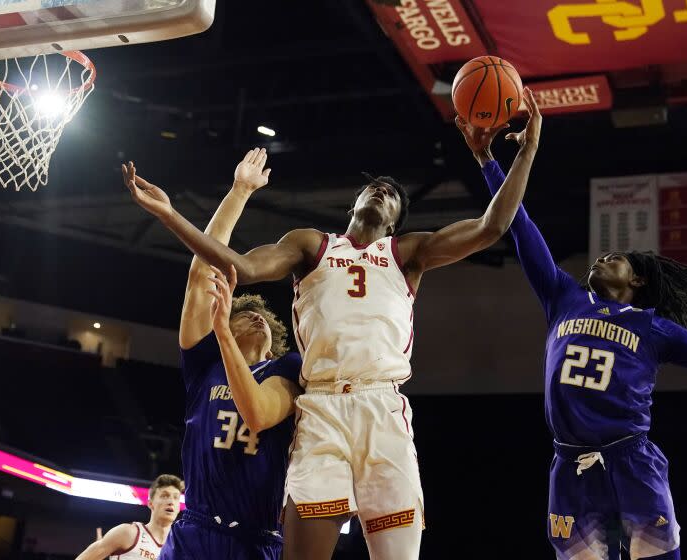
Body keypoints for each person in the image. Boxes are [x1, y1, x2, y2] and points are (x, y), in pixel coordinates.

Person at [121, 88, 543, 559]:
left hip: (381, 406)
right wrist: (170, 215)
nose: (382, 190)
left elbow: (493, 226)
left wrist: (506, 155)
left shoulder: (408, 254)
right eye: (373, 186)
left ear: (396, 221)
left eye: (393, 195)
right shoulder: (311, 245)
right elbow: (239, 264)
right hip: (320, 406)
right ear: (355, 203)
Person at [457, 118, 687, 560]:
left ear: (638, 280)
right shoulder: (563, 297)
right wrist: (488, 160)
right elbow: (519, 225)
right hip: (569, 467)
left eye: (617, 258)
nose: (603, 257)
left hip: (631, 462)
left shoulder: (653, 327)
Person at [129, 149, 303, 560]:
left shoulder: (288, 367)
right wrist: (240, 190)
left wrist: (226, 331)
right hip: (197, 530)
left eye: (265, 317)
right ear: (222, 313)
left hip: (257, 538)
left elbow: (260, 413)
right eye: (249, 313)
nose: (259, 318)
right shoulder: (204, 365)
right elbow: (201, 273)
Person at [75, 474, 183, 560]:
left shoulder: (179, 550)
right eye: (165, 496)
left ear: (179, 507)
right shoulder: (128, 533)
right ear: (150, 504)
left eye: (175, 497)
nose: (171, 501)